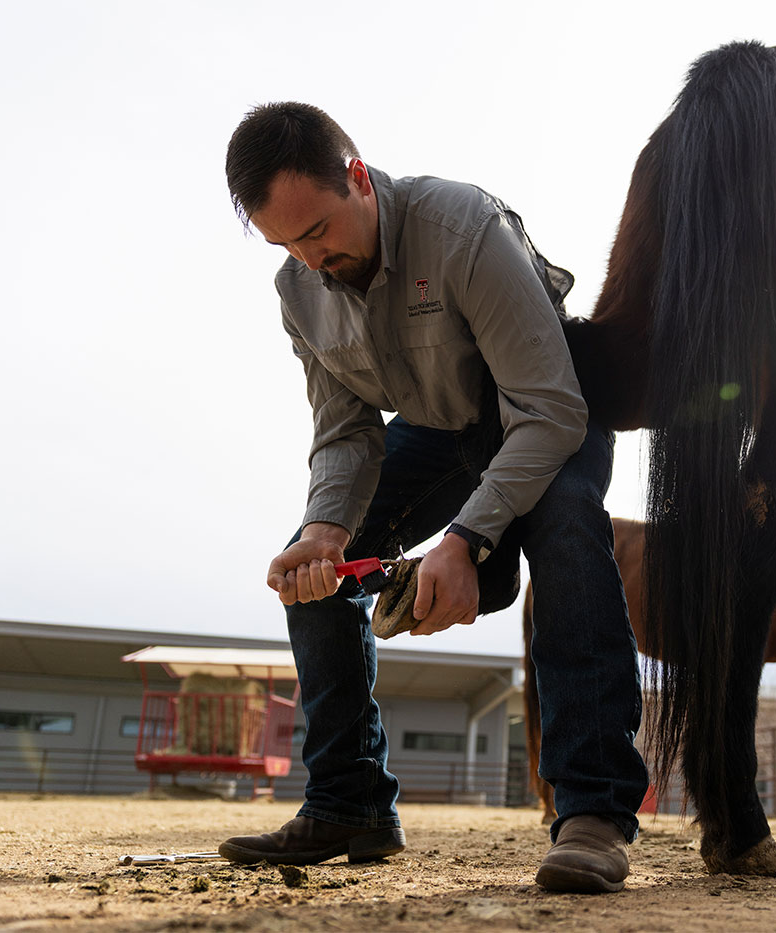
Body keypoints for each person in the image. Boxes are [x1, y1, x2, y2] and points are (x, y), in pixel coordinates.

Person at [217, 102, 649, 894]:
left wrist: (463, 539)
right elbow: (347, 432)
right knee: (318, 575)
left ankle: (594, 809)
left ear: (357, 177)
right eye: (285, 245)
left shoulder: (460, 225)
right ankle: (350, 800)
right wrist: (325, 528)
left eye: (315, 232)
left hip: (542, 407)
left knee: (566, 536)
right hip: (438, 426)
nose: (309, 260)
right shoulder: (299, 290)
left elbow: (549, 410)